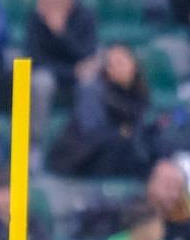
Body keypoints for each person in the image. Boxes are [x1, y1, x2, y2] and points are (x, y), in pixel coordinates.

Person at [46, 42, 151, 178]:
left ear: (134, 64)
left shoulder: (139, 94)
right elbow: (91, 133)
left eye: (121, 62)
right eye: (110, 65)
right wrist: (121, 132)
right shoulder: (92, 90)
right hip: (85, 160)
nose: (115, 68)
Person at [25, 0, 98, 106]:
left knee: (91, 82)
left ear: (68, 1)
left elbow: (87, 55)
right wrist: (71, 72)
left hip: (79, 72)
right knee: (32, 78)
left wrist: (61, 34)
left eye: (48, 1)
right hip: (51, 71)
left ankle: (86, 126)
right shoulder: (36, 18)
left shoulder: (85, 16)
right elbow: (34, 59)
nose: (40, 5)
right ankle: (28, 127)